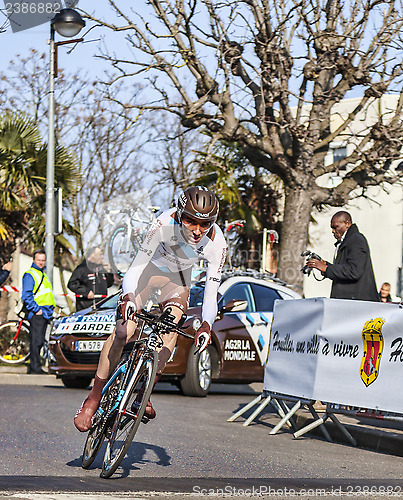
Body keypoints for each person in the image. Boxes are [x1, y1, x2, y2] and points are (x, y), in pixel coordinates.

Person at [74, 186, 227, 432]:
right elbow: (136, 267)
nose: (198, 230)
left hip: (178, 280)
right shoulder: (162, 223)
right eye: (190, 221)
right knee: (124, 332)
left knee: (170, 333)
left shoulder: (217, 242)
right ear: (179, 214)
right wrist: (129, 297)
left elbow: (210, 292)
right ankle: (93, 397)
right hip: (148, 273)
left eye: (205, 223)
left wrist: (207, 324)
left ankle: (142, 394)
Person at [307, 211, 379, 301]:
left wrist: (326, 268)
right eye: (332, 228)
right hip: (349, 302)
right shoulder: (347, 241)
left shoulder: (356, 239)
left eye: (335, 227)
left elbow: (354, 271)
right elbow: (344, 269)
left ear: (347, 224)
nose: (333, 231)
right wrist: (325, 265)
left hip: (357, 304)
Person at [21, 249, 55, 374]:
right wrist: (37, 310)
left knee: (39, 340)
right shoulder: (31, 274)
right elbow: (26, 295)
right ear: (34, 260)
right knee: (36, 341)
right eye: (39, 260)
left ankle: (35, 366)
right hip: (38, 313)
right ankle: (35, 368)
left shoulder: (42, 274)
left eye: (43, 260)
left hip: (45, 312)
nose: (41, 263)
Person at [68, 246, 114, 311]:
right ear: (93, 255)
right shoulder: (82, 268)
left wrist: (109, 272)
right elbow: (72, 284)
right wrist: (86, 292)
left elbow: (109, 284)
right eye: (100, 254)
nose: (102, 257)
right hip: (86, 308)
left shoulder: (101, 268)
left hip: (102, 308)